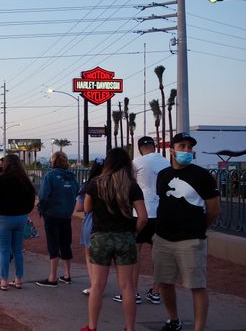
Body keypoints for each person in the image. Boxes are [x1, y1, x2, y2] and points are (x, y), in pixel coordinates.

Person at [153, 133, 220, 331]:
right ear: (172, 149)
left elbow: (214, 209)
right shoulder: (163, 175)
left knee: (196, 286)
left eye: (189, 147)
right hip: (163, 238)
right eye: (182, 146)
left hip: (191, 240)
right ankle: (173, 320)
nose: (187, 150)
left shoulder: (202, 175)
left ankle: (198, 328)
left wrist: (199, 228)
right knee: (164, 283)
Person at [82, 148, 148, 331]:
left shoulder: (95, 184)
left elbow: (86, 208)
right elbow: (143, 217)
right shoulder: (132, 186)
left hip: (100, 237)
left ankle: (92, 326)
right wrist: (132, 233)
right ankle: (129, 327)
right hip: (125, 238)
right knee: (127, 287)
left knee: (97, 286)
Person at [112, 136, 170, 305]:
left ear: (139, 148)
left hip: (141, 211)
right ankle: (156, 292)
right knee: (158, 254)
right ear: (154, 146)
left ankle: (133, 292)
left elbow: (126, 185)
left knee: (135, 253)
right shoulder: (165, 162)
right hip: (162, 213)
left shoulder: (137, 162)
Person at [0, 154, 36, 291]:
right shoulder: (25, 181)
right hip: (20, 218)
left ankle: (4, 281)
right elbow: (31, 201)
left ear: (6, 165)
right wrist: (24, 212)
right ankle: (19, 279)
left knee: (4, 250)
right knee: (18, 250)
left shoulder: (0, 182)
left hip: (3, 218)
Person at [36, 151, 79, 287]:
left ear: (53, 161)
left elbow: (43, 195)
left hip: (52, 214)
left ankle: (52, 277)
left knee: (53, 244)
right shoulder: (72, 177)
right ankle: (67, 274)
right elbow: (77, 193)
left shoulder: (50, 176)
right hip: (66, 214)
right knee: (65, 244)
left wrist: (42, 209)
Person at [73, 158, 104, 296]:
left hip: (91, 221)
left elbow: (80, 207)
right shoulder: (113, 184)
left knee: (90, 255)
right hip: (108, 222)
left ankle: (95, 286)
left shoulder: (87, 186)